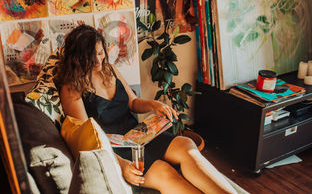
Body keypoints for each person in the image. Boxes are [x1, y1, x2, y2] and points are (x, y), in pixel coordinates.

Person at [55, 24, 236, 194]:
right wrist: (121, 165)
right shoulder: (71, 90)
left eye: (100, 53)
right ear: (77, 58)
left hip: (137, 135)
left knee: (186, 145)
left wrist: (154, 105)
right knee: (164, 172)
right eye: (90, 56)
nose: (98, 60)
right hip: (115, 150)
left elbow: (133, 102)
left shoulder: (109, 69)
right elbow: (87, 141)